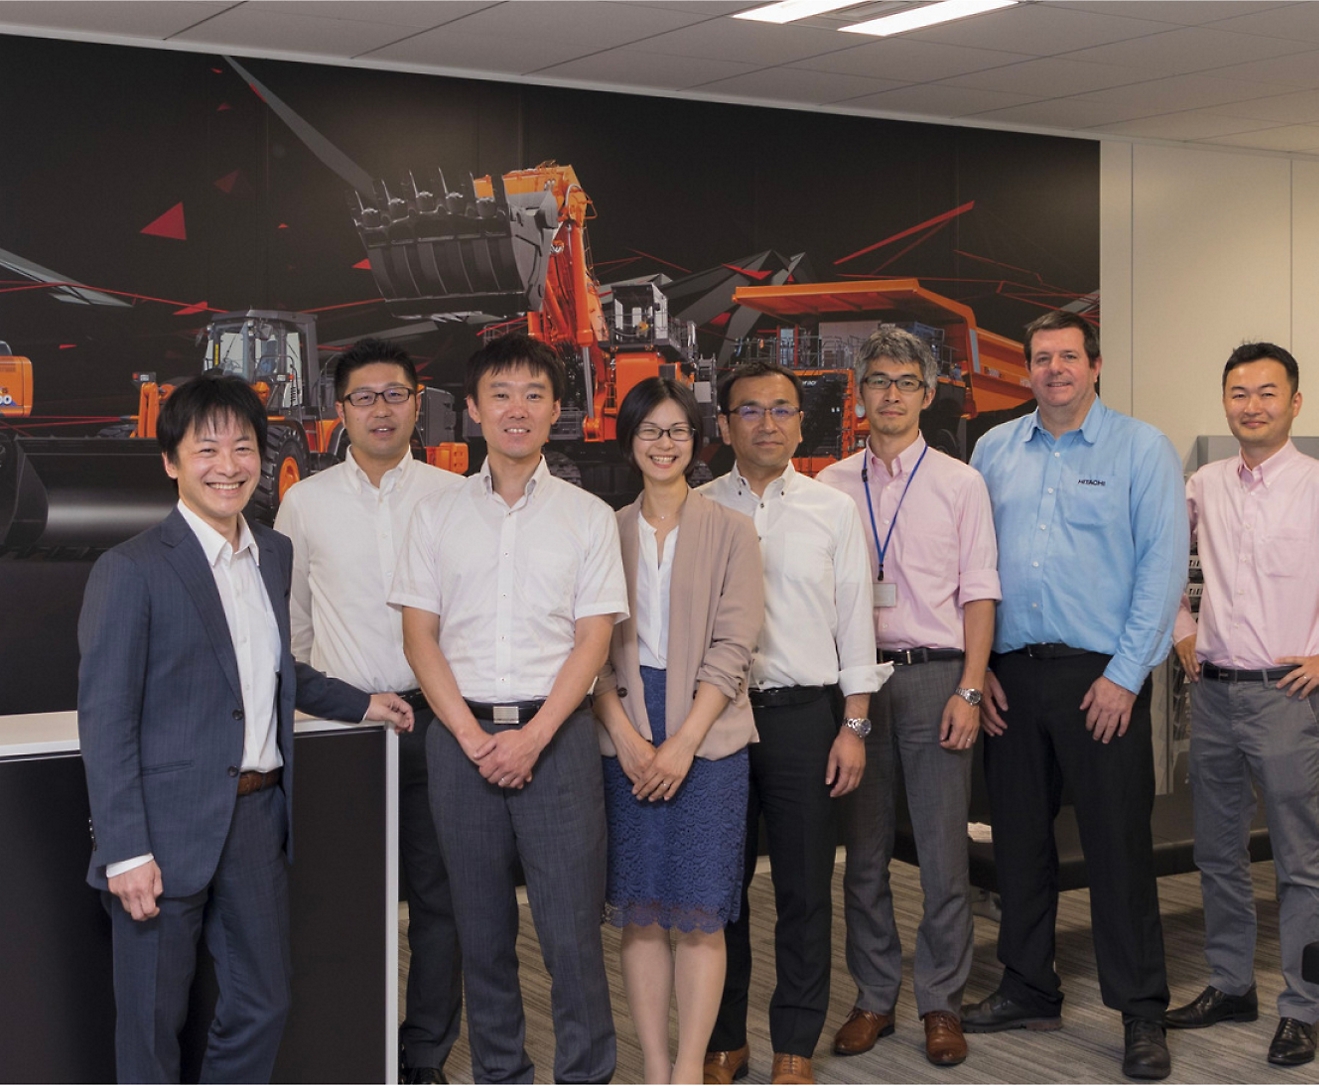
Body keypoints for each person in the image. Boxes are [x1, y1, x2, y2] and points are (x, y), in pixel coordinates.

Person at [78, 372, 412, 1084]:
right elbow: (105, 722)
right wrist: (125, 849)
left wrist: (362, 702)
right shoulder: (130, 570)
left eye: (241, 448)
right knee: (150, 1024)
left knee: (263, 1004)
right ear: (171, 461)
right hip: (161, 833)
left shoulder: (272, 554)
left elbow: (271, 670)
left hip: (258, 818)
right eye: (206, 450)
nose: (227, 466)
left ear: (262, 457)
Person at [391, 333, 627, 1084]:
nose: (516, 409)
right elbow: (418, 634)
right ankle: (501, 1075)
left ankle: (585, 1075)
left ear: (557, 409)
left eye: (532, 394)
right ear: (471, 410)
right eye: (500, 394)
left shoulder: (587, 516)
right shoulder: (434, 514)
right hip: (459, 745)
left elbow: (593, 641)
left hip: (555, 744)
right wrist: (469, 733)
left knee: (570, 938)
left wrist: (533, 736)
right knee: (480, 935)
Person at [963, 311, 1188, 1080]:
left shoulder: (1141, 449)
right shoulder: (992, 450)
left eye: (1067, 356)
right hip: (1010, 677)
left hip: (1102, 680)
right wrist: (979, 667)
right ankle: (1027, 987)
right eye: (1039, 358)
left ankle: (1140, 1011)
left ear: (1095, 365)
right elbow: (975, 567)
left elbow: (1161, 570)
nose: (1053, 368)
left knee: (1117, 850)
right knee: (1020, 844)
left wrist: (1125, 677)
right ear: (1025, 371)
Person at [274, 338, 464, 1084]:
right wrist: (326, 708)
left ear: (418, 402)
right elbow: (292, 627)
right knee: (347, 906)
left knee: (441, 907)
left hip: (437, 726)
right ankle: (358, 1050)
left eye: (394, 394)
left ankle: (424, 1059)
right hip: (343, 733)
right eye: (363, 397)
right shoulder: (304, 503)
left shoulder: (454, 498)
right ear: (340, 410)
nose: (380, 410)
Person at [818, 326, 999, 1068]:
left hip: (935, 680)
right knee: (861, 856)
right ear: (857, 396)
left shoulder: (961, 483)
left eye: (904, 382)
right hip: (854, 686)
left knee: (940, 853)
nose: (889, 395)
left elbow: (980, 594)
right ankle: (872, 996)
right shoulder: (827, 487)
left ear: (927, 394)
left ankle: (939, 1001)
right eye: (877, 382)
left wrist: (968, 686)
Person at [701, 360, 886, 1086]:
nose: (767, 423)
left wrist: (854, 724)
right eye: (750, 411)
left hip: (806, 718)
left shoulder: (832, 510)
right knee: (722, 888)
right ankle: (724, 1039)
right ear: (723, 426)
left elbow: (854, 622)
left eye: (781, 410)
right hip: (719, 718)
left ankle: (793, 1044)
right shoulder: (698, 507)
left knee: (805, 888)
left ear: (800, 423)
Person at [593, 377, 764, 1085]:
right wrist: (632, 741)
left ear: (696, 442)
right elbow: (586, 651)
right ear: (628, 440)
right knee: (639, 912)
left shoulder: (731, 529)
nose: (664, 444)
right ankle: (656, 1071)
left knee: (698, 912)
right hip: (621, 729)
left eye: (677, 431)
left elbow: (733, 648)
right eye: (649, 430)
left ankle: (691, 1070)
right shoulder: (601, 528)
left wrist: (682, 741)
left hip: (711, 734)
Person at [1165, 342, 1319, 1067]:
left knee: (1299, 862)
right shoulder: (1204, 482)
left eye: (1265, 392)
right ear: (1223, 401)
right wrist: (1181, 626)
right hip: (1214, 695)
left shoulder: (1316, 485)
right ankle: (1230, 984)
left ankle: (1305, 1004)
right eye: (1237, 392)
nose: (1250, 405)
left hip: (1286, 697)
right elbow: (1158, 558)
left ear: (1294, 402)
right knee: (1217, 855)